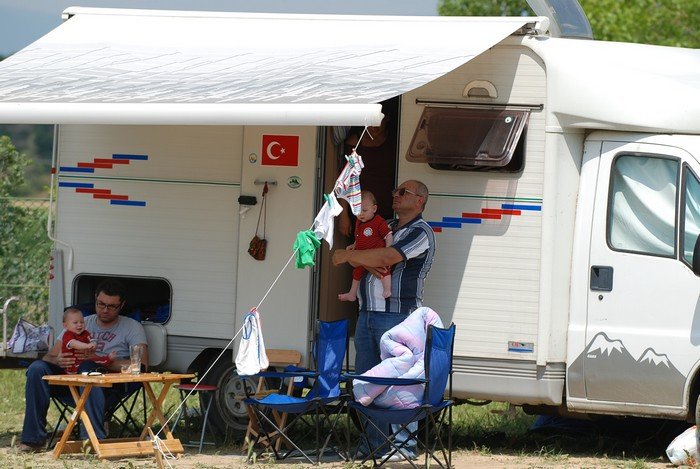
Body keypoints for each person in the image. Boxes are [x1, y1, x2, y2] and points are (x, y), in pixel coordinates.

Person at [333, 179, 435, 460]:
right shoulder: (384, 225)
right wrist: (364, 257)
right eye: (395, 191)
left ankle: (404, 448)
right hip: (367, 313)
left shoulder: (422, 231)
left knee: (400, 383)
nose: (395, 195)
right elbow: (365, 255)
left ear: (420, 201)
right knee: (368, 382)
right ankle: (373, 446)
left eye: (403, 192)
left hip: (398, 317)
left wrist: (353, 256)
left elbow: (388, 256)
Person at [18, 278, 148, 452]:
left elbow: (142, 366)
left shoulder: (132, 327)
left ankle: (91, 440)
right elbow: (49, 357)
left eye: (111, 306)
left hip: (107, 386)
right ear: (95, 299)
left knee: (88, 367)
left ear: (122, 305)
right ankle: (32, 440)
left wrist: (99, 360)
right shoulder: (80, 322)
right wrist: (58, 360)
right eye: (101, 304)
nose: (105, 310)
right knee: (36, 369)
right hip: (69, 382)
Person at [338, 191, 393, 302]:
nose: (361, 214)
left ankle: (387, 289)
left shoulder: (379, 221)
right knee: (357, 273)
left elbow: (388, 235)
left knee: (383, 270)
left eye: (364, 210)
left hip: (375, 254)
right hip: (362, 256)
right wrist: (354, 245)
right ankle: (352, 294)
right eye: (357, 211)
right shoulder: (359, 222)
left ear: (374, 209)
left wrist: (388, 249)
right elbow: (359, 237)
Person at [61, 307, 117, 374]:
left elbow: (92, 340)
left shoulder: (85, 333)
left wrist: (93, 345)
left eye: (82, 322)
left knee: (94, 361)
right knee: (87, 364)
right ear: (66, 326)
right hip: (73, 364)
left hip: (86, 359)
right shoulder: (68, 334)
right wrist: (87, 346)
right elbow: (73, 343)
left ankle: (107, 360)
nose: (80, 324)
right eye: (75, 323)